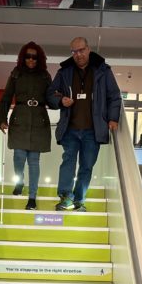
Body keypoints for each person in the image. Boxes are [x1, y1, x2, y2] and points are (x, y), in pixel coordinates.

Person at [47, 37, 121, 211]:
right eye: (74, 51)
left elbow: (114, 96)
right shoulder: (64, 72)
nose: (78, 55)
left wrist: (113, 119)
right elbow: (50, 93)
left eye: (81, 50)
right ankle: (66, 197)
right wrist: (60, 100)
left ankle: (79, 200)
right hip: (70, 128)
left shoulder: (103, 70)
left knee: (86, 166)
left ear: (88, 49)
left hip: (93, 130)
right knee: (68, 162)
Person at [0, 41, 54, 210]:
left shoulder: (45, 76)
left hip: (38, 120)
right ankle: (20, 181)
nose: (31, 60)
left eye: (34, 57)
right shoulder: (16, 74)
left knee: (34, 161)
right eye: (28, 56)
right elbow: (6, 97)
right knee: (19, 157)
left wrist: (60, 101)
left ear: (40, 59)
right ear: (23, 58)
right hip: (20, 118)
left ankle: (32, 197)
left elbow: (51, 98)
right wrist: (2, 118)